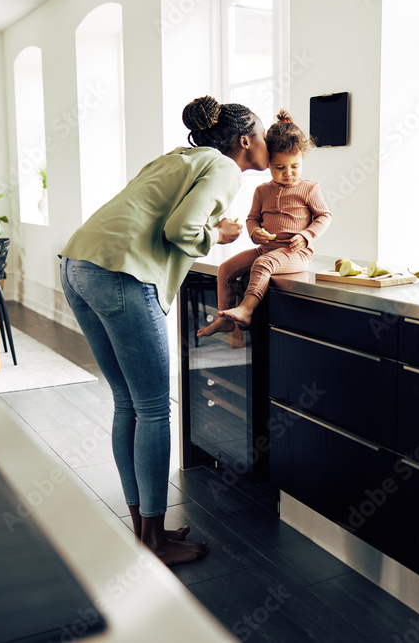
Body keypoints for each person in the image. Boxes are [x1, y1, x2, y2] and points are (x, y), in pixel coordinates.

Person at [58, 96, 268, 565]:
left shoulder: (180, 156)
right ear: (243, 140)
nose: (266, 141)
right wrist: (221, 235)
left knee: (128, 402)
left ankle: (144, 529)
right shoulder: (224, 168)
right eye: (260, 133)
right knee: (154, 409)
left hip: (78, 264)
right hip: (120, 274)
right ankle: (154, 540)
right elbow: (181, 228)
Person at [197, 109, 330, 336]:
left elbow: (324, 216)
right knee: (226, 269)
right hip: (266, 249)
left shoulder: (309, 188)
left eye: (294, 166)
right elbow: (252, 219)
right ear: (269, 164)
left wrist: (306, 236)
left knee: (263, 264)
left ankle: (246, 310)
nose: (288, 173)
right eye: (280, 168)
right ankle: (225, 317)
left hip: (295, 254)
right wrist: (255, 232)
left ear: (302, 161)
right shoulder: (262, 191)